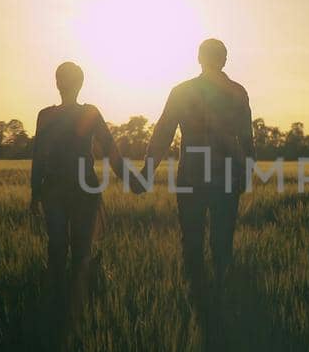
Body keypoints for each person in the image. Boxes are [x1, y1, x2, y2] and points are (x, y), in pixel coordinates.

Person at [145, 38, 253, 298]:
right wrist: (246, 174)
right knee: (222, 241)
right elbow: (247, 139)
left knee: (191, 240)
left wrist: (147, 172)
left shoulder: (182, 91)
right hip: (226, 176)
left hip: (191, 175)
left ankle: (198, 300)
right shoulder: (237, 92)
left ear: (198, 59)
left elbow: (163, 133)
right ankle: (221, 296)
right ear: (225, 60)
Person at [30, 61, 125, 312]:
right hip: (83, 187)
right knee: (81, 247)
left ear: (57, 83)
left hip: (53, 188)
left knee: (58, 245)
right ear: (81, 84)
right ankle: (77, 306)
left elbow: (38, 157)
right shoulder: (89, 112)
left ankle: (56, 301)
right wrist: (130, 179)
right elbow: (110, 148)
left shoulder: (46, 115)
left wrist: (34, 192)